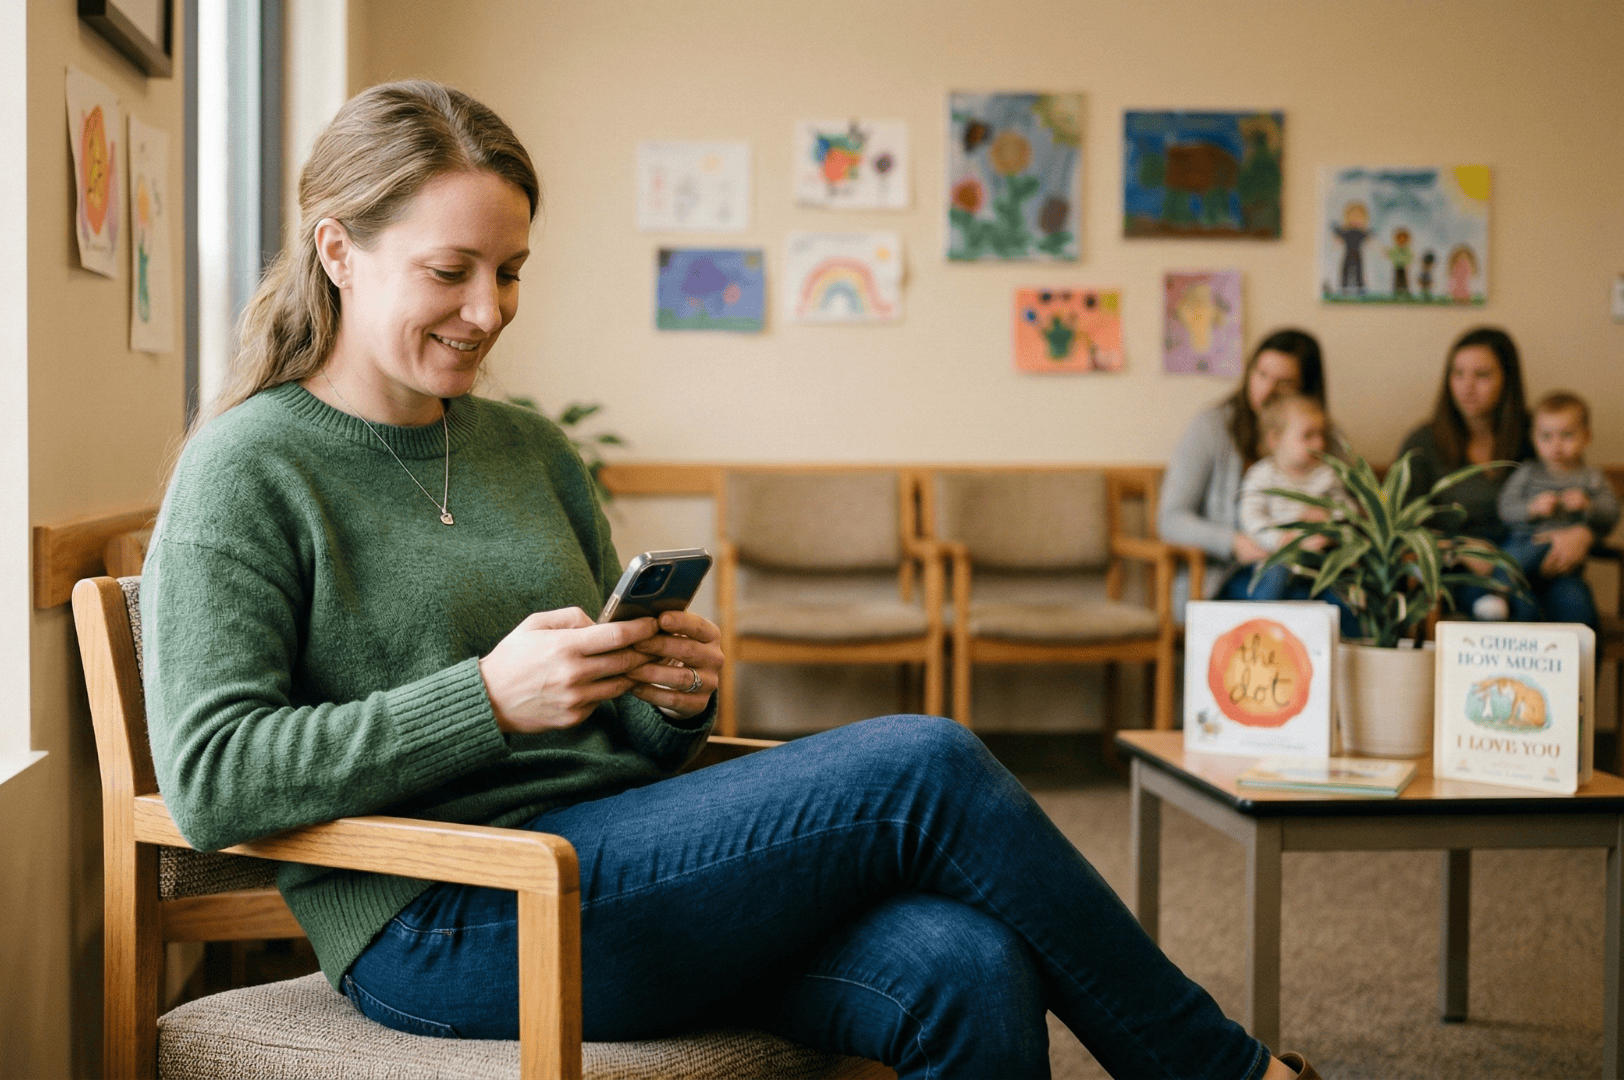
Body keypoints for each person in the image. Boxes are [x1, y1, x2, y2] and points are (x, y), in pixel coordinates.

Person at [141, 81, 1312, 1080]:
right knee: (927, 764)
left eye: (511, 270)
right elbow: (212, 779)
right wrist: (487, 699)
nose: (489, 311)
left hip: (620, 865)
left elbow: (617, 736)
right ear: (338, 248)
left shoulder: (530, 449)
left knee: (968, 965)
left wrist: (668, 701)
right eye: (452, 271)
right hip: (446, 917)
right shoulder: (248, 466)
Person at [1159, 328, 1327, 616]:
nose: (1267, 391)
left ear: (1306, 388)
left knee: (1333, 606)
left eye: (1284, 382)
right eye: (1261, 375)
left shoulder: (1319, 440)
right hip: (1227, 576)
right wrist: (1233, 543)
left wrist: (1327, 522)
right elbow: (1170, 519)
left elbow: (1349, 511)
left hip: (1306, 574)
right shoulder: (1212, 427)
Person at [1398, 326, 1534, 620]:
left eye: (1481, 375)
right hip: (1456, 570)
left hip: (1529, 561)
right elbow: (1401, 526)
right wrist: (1461, 549)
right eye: (1457, 374)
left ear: (1507, 380)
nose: (1466, 386)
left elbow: (1570, 488)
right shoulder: (1424, 441)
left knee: (1575, 606)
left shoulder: (1536, 434)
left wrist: (1579, 532)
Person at [1494, 391, 1616, 630]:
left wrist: (1588, 506)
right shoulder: (1527, 472)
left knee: (1581, 611)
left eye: (1567, 435)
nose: (1556, 445)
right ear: (1534, 438)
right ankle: (1498, 591)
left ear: (1587, 437)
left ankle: (1587, 665)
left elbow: (1611, 515)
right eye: (1546, 436)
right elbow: (1505, 508)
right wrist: (1532, 507)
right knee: (1521, 608)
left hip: (1565, 571)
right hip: (1525, 551)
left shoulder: (1591, 479)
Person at [1239, 393, 1348, 601]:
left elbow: (1347, 511)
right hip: (1278, 557)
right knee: (1273, 579)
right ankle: (1262, 626)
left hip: (1321, 557)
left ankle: (1355, 633)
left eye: (1321, 435)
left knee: (1344, 586)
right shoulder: (1262, 474)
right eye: (1308, 435)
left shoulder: (1326, 474)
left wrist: (1329, 520)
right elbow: (1250, 516)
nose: (1319, 443)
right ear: (1275, 439)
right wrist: (1280, 539)